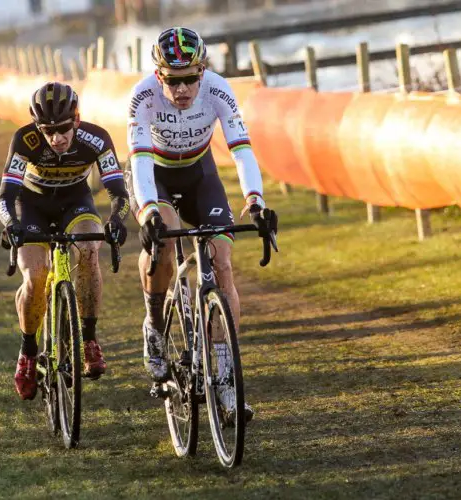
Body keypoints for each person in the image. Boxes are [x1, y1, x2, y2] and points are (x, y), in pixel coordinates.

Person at [125, 27, 278, 422]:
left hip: (199, 175)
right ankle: (155, 328)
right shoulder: (142, 95)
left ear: (203, 71)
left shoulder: (218, 89)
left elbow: (241, 149)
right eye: (173, 80)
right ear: (159, 76)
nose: (182, 89)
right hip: (154, 176)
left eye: (191, 78)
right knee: (162, 243)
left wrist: (256, 201)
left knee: (222, 263)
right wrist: (148, 213)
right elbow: (140, 160)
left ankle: (226, 379)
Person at [0, 82, 130, 400]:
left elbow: (118, 192)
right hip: (32, 208)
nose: (56, 138)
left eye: (64, 129)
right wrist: (11, 224)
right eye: (48, 130)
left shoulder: (96, 138)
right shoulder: (24, 140)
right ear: (37, 126)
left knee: (88, 249)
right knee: (35, 276)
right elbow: (5, 196)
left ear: (77, 120)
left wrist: (117, 220)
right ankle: (28, 353)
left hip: (76, 203)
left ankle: (89, 340)